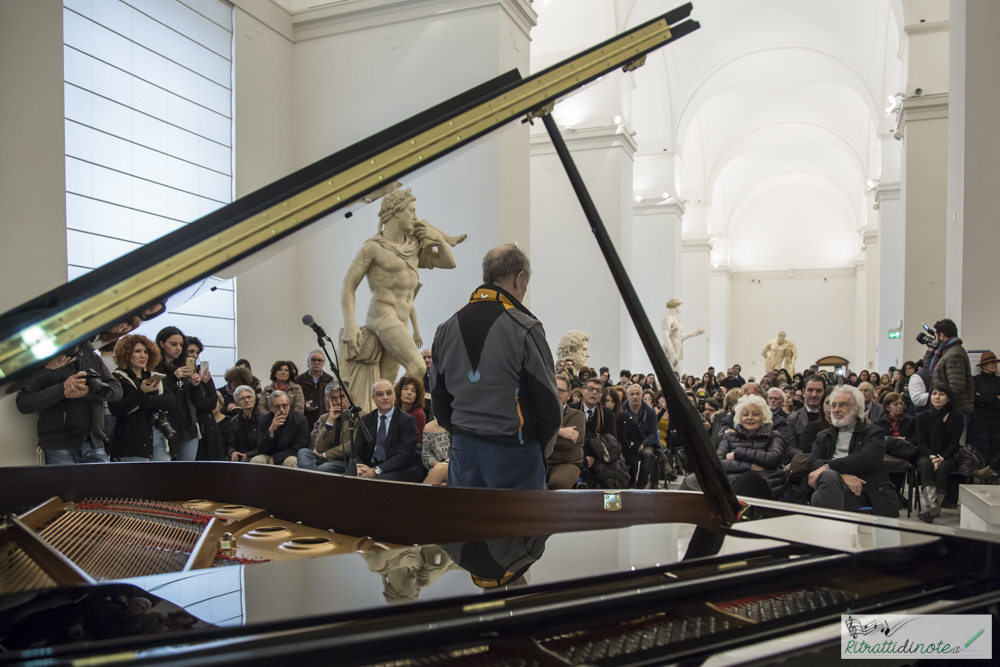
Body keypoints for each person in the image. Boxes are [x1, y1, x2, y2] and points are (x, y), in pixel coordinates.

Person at [430, 244, 560, 490]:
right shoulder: (525, 328)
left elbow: (439, 399)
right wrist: (538, 452)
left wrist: (463, 436)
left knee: (468, 526)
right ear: (519, 278)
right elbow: (550, 405)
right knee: (519, 528)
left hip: (463, 451)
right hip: (516, 451)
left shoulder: (445, 329)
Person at [806, 386, 899, 517]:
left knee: (819, 495)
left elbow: (868, 459)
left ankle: (829, 533)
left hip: (864, 489)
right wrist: (841, 476)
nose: (836, 410)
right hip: (831, 484)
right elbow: (813, 462)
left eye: (842, 405)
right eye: (833, 406)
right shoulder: (823, 436)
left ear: (857, 409)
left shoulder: (873, 432)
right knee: (828, 478)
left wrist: (829, 467)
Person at [107, 335, 171, 461]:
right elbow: (117, 409)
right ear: (126, 354)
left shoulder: (154, 376)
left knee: (163, 478)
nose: (143, 356)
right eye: (137, 351)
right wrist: (142, 392)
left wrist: (140, 403)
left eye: (146, 352)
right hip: (131, 441)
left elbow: (170, 401)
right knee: (137, 479)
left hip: (158, 436)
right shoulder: (116, 378)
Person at [153, 327, 210, 461]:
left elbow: (198, 402)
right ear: (161, 344)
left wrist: (196, 386)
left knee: (186, 473)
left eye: (181, 345)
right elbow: (158, 397)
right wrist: (173, 378)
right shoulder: (154, 368)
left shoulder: (184, 366)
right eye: (173, 344)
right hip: (164, 426)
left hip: (188, 425)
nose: (178, 348)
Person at [716, 395, 787, 500]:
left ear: (763, 417)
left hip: (763, 484)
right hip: (731, 483)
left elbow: (773, 458)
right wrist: (749, 466)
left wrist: (738, 453)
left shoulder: (774, 436)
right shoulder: (729, 437)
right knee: (693, 479)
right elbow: (717, 463)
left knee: (750, 477)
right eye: (745, 414)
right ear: (739, 417)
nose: (750, 418)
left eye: (755, 414)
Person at [353, 379, 423, 482]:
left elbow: (404, 456)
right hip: (370, 465)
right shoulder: (366, 420)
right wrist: (360, 468)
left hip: (397, 468)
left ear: (394, 396)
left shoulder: (407, 420)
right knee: (347, 478)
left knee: (375, 482)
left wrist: (375, 471)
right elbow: (357, 451)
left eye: (389, 393)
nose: (385, 397)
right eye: (380, 394)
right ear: (373, 398)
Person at [914, 384, 963, 522]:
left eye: (941, 394)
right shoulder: (922, 417)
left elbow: (954, 442)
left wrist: (942, 457)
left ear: (948, 398)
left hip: (949, 454)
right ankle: (932, 506)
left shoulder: (957, 416)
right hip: (926, 453)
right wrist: (933, 456)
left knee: (943, 468)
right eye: (934, 393)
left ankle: (933, 509)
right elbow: (922, 443)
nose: (937, 397)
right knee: (926, 464)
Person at [920, 318, 974, 416]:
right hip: (947, 408)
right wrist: (930, 351)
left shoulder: (954, 354)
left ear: (941, 335)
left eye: (936, 336)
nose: (935, 339)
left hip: (955, 410)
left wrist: (940, 401)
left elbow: (957, 386)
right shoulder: (945, 352)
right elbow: (932, 372)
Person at [298, 381, 353, 474]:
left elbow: (350, 447)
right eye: (334, 398)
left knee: (320, 469)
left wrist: (325, 455)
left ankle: (309, 481)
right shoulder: (325, 418)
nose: (339, 402)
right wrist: (330, 421)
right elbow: (319, 447)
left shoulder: (358, 416)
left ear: (349, 397)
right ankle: (312, 478)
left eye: (342, 396)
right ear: (328, 401)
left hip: (344, 460)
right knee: (303, 452)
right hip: (323, 457)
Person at [184, 337, 221, 461]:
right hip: (190, 426)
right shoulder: (179, 374)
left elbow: (212, 402)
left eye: (197, 352)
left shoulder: (202, 372)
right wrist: (197, 386)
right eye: (191, 351)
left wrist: (203, 384)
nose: (195, 355)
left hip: (207, 426)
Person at [547, 376, 586, 489]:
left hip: (566, 463)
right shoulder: (539, 413)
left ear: (569, 395)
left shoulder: (577, 415)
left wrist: (544, 436)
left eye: (561, 390)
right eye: (553, 388)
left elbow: (567, 443)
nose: (556, 392)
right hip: (541, 461)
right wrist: (560, 431)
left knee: (557, 484)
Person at [618, 384, 660, 489]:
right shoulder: (621, 409)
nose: (635, 396)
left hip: (644, 443)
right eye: (632, 394)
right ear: (628, 396)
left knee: (648, 454)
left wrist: (643, 444)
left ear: (641, 396)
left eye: (637, 394)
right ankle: (625, 484)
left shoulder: (650, 412)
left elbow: (653, 434)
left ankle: (641, 485)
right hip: (626, 443)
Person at [253, 390, 309, 467]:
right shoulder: (264, 420)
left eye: (284, 405)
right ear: (271, 408)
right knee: (256, 460)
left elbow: (299, 447)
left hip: (290, 455)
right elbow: (261, 449)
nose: (282, 410)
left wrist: (277, 458)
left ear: (289, 405)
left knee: (290, 462)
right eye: (277, 406)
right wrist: (271, 432)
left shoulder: (300, 420)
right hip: (270, 455)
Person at [968, 351, 1000, 469]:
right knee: (980, 454)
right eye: (991, 362)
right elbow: (975, 399)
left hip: (996, 422)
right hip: (979, 422)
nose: (994, 365)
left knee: (995, 454)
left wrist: (984, 400)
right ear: (983, 365)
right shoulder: (975, 380)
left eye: (995, 362)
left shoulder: (998, 381)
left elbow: (980, 399)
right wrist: (995, 397)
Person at [295, 350, 334, 431]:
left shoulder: (330, 380)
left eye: (319, 360)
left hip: (324, 417)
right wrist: (305, 404)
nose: (316, 362)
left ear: (323, 363)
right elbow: (294, 399)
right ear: (308, 362)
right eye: (313, 359)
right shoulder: (298, 380)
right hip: (305, 418)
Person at [226, 385, 260, 462]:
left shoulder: (264, 419)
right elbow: (231, 443)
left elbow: (265, 445)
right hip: (241, 454)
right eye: (242, 398)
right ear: (237, 403)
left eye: (249, 397)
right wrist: (232, 452)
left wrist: (248, 454)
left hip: (257, 455)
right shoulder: (234, 421)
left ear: (254, 400)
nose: (246, 400)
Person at [788, 376, 826, 440]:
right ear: (803, 393)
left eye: (818, 391)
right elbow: (791, 446)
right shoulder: (793, 419)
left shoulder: (831, 417)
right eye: (810, 390)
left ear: (824, 393)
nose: (814, 395)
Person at [394, 375, 427, 448]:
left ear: (417, 395)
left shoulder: (419, 414)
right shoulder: (393, 411)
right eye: (405, 389)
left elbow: (418, 442)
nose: (409, 393)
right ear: (399, 391)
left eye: (413, 391)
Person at [799, 388, 833, 453]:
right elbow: (806, 449)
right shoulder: (812, 427)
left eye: (833, 403)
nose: (830, 406)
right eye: (827, 403)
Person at [422, 420, 452, 485]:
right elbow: (426, 456)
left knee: (439, 470)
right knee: (442, 485)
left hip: (456, 466)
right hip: (436, 469)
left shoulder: (461, 427)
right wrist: (437, 463)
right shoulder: (429, 427)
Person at [421, 348, 435, 421]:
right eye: (424, 358)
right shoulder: (418, 375)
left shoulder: (438, 374)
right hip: (422, 408)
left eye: (429, 357)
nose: (427, 360)